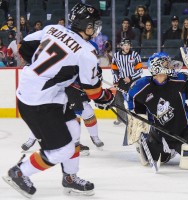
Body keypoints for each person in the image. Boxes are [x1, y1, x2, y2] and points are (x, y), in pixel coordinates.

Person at [3, 2, 114, 197]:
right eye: (94, 24)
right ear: (87, 26)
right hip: (39, 102)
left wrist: (52, 74)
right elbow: (94, 92)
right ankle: (20, 172)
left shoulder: (53, 28)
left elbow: (24, 47)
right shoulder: (86, 52)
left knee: (73, 129)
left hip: (41, 92)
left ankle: (69, 177)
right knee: (62, 150)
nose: (95, 28)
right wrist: (107, 97)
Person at [111, 39, 143, 125]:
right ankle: (121, 119)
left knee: (135, 99)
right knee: (118, 100)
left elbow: (140, 70)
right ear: (121, 46)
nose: (127, 46)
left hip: (134, 81)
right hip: (122, 81)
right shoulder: (116, 56)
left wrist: (131, 78)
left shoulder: (135, 55)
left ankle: (137, 117)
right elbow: (114, 69)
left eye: (128, 45)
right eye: (125, 45)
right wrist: (115, 79)